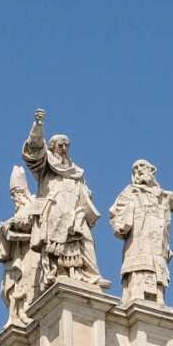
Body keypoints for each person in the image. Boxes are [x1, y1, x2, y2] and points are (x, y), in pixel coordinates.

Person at [21, 109, 105, 294]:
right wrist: (38, 127)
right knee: (53, 247)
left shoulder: (76, 172)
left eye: (67, 145)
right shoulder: (45, 166)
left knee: (86, 241)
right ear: (52, 147)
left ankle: (91, 275)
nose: (64, 149)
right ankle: (54, 274)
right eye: (61, 145)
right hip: (54, 211)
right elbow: (33, 152)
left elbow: (84, 193)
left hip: (75, 212)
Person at [109, 160, 173, 305]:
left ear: (151, 171)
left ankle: (159, 299)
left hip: (158, 243)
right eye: (136, 169)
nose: (139, 171)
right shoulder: (130, 192)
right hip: (138, 241)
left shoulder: (163, 196)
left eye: (142, 168)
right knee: (138, 266)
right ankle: (135, 296)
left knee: (157, 269)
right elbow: (116, 213)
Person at [0, 167, 42, 326]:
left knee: (29, 280)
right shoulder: (16, 213)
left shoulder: (34, 203)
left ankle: (27, 311)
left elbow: (31, 221)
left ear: (24, 193)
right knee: (11, 286)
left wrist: (13, 223)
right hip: (16, 255)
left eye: (17, 194)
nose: (15, 198)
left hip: (31, 251)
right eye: (13, 195)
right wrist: (2, 233)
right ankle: (17, 314)